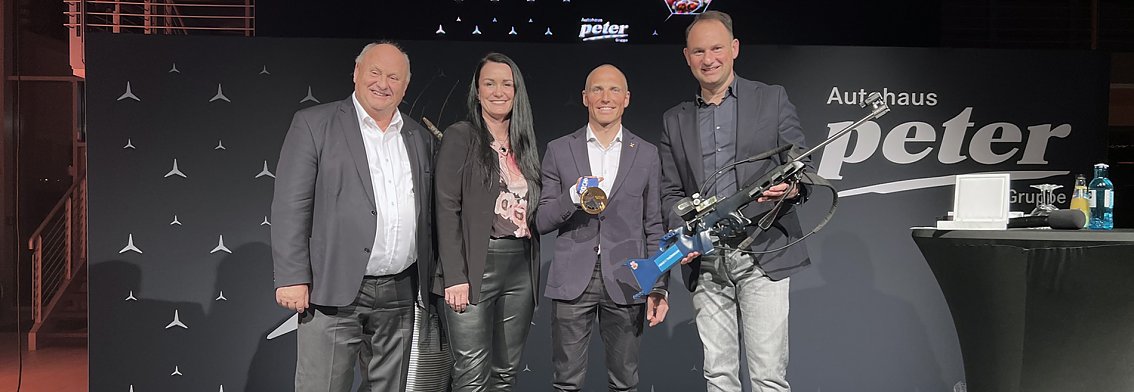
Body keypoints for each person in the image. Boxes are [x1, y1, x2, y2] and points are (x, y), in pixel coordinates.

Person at [658, 11, 811, 392]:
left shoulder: (771, 98)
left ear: (734, 49)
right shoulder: (674, 120)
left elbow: (802, 166)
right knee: (719, 377)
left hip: (764, 253)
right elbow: (669, 192)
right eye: (698, 51)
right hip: (707, 260)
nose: (708, 59)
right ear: (686, 56)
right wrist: (684, 232)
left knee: (768, 378)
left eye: (716, 48)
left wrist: (792, 188)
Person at [271, 41, 437, 392]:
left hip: (401, 291)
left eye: (394, 77)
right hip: (333, 288)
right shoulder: (315, 124)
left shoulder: (419, 137)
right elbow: (290, 205)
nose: (383, 83)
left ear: (405, 87)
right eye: (374, 72)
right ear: (356, 73)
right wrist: (291, 276)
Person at [535, 64, 668, 392]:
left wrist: (659, 286)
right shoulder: (559, 150)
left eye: (613, 90)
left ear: (626, 98)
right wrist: (572, 196)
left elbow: (654, 225)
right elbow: (541, 220)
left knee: (624, 382)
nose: (605, 97)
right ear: (585, 97)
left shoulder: (647, 154)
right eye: (597, 89)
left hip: (627, 277)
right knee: (566, 382)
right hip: (571, 278)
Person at [434, 52, 542, 392]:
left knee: (504, 374)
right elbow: (446, 207)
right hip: (474, 266)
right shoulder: (461, 135)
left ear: (517, 90)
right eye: (489, 83)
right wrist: (454, 276)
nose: (499, 91)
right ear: (477, 91)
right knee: (471, 375)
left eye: (506, 84)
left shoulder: (524, 143)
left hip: (520, 268)